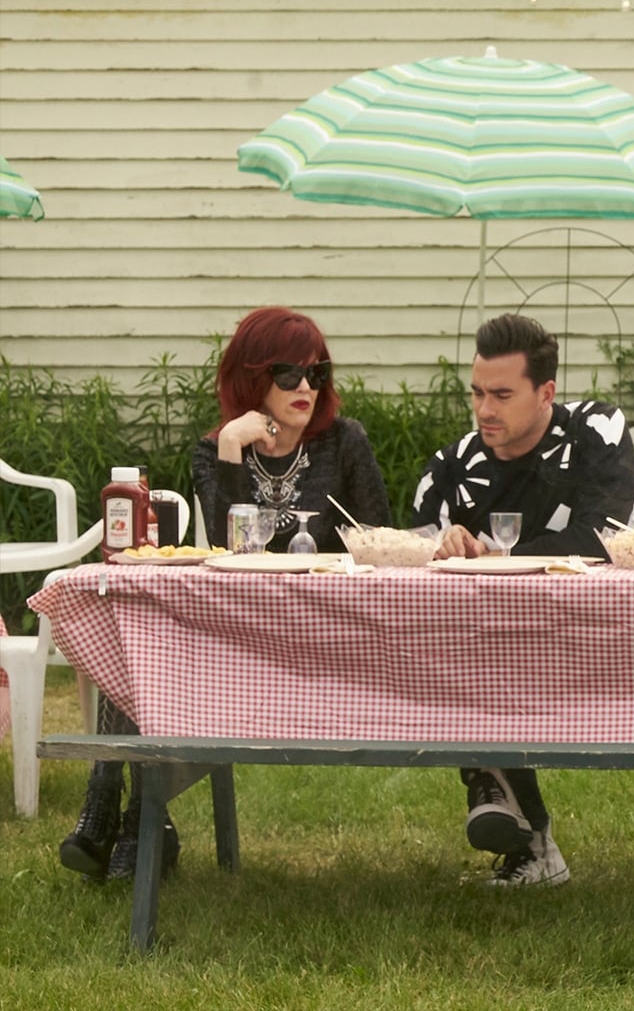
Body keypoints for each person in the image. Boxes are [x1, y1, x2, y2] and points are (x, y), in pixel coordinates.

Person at [60, 306, 391, 883]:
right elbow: (229, 547)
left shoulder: (345, 442)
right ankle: (122, 809)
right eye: (289, 373)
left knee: (143, 644)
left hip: (326, 632)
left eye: (317, 373)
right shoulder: (215, 448)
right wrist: (233, 449)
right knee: (137, 634)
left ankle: (124, 818)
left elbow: (379, 541)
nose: (306, 387)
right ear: (253, 376)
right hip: (238, 633)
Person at [410, 313, 634, 888]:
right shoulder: (454, 467)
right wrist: (443, 547)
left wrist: (492, 557)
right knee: (466, 648)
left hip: (605, 635)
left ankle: (496, 792)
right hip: (491, 648)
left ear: (546, 393)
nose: (484, 409)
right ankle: (504, 804)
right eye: (477, 393)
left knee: (480, 655)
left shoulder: (595, 432)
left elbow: (603, 537)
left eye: (502, 395)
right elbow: (416, 564)